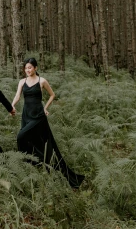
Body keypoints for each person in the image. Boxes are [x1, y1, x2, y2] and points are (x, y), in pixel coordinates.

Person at [11, 57, 84, 188]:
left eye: (30, 67)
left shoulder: (42, 81)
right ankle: (32, 165)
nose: (28, 70)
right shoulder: (22, 82)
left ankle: (38, 163)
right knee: (30, 141)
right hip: (26, 115)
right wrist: (12, 105)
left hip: (38, 116)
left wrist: (45, 108)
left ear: (35, 68)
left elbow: (52, 95)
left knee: (22, 137)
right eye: (26, 68)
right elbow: (17, 96)